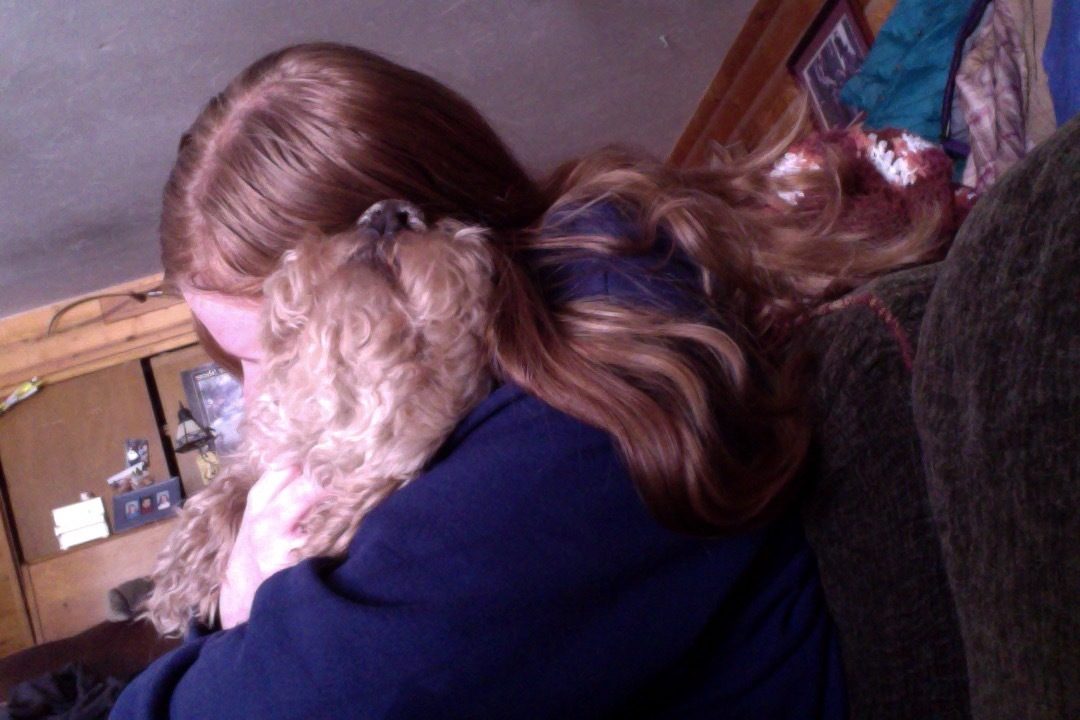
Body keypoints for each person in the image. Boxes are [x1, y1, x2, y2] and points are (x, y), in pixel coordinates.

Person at [112, 43, 945, 719]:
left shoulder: (573, 427)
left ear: (396, 262)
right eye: (235, 365)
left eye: (271, 352)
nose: (257, 399)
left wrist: (241, 613)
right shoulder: (570, 296)